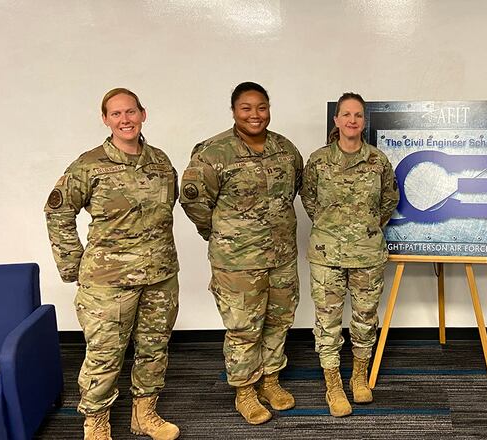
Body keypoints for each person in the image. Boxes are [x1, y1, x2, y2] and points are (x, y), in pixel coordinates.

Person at [44, 88, 180, 440]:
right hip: (108, 280)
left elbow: (168, 208)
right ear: (105, 120)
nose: (125, 119)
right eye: (116, 114)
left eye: (131, 112)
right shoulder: (90, 165)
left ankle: (144, 414)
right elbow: (58, 212)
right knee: (105, 354)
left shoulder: (161, 162)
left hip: (160, 275)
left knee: (154, 348)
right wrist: (74, 266)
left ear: (143, 114)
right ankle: (96, 422)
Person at [180, 82, 303, 425]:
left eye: (261, 107)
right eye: (246, 108)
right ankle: (245, 391)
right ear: (234, 111)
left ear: (269, 109)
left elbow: (294, 189)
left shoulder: (285, 149)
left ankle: (270, 380)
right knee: (243, 328)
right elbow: (193, 201)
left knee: (279, 321)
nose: (255, 115)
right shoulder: (213, 153)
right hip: (237, 261)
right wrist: (220, 234)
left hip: (281, 256)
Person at [300, 92, 399, 417]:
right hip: (326, 254)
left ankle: (359, 376)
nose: (352, 120)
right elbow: (309, 199)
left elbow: (389, 200)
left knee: (365, 318)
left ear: (363, 121)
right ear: (336, 120)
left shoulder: (378, 161)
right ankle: (333, 384)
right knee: (327, 323)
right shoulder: (318, 160)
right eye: (346, 114)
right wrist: (333, 227)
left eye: (358, 115)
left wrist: (364, 228)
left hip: (367, 254)